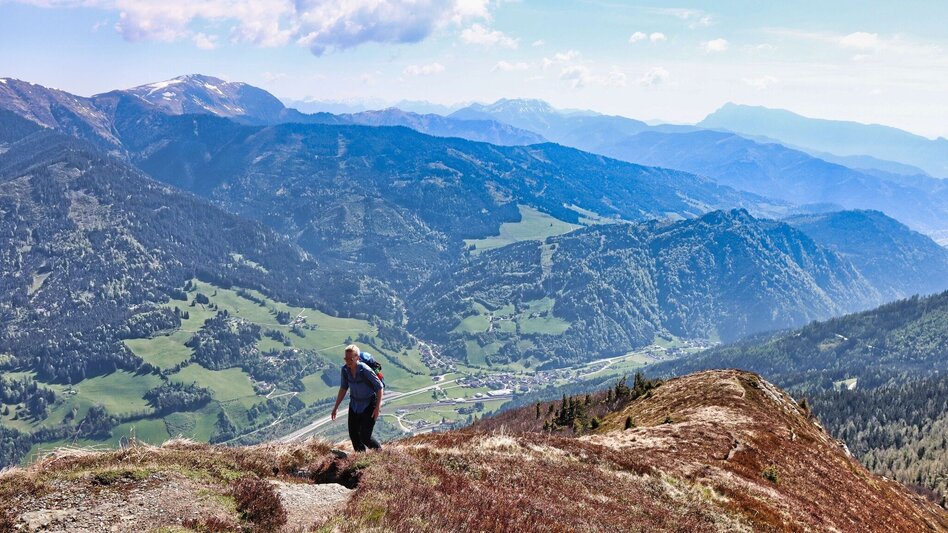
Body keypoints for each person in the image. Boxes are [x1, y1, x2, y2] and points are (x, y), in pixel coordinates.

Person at [331, 344, 384, 451]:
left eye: (350, 359)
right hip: (354, 404)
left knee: (365, 436)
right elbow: (343, 388)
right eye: (346, 358)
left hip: (369, 404)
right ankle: (360, 459)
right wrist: (336, 407)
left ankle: (381, 454)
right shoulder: (345, 370)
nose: (348, 361)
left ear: (357, 358)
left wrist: (377, 407)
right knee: (354, 435)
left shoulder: (364, 369)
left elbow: (379, 387)